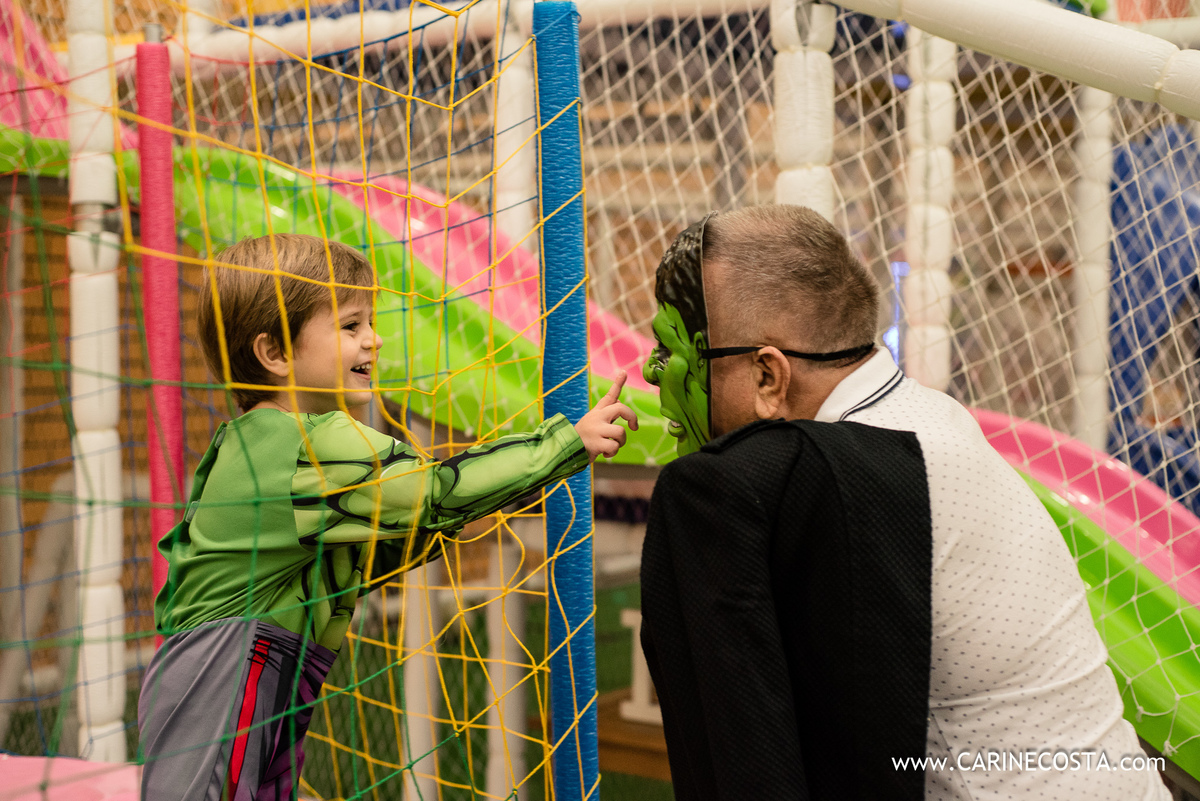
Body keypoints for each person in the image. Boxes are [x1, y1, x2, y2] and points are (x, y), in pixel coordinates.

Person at [639, 205, 1169, 801]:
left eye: (667, 351)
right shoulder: (927, 418)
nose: (650, 373)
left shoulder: (847, 476)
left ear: (768, 377)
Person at [138, 234, 637, 801]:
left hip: (248, 680)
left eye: (369, 323)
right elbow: (436, 491)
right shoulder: (303, 441)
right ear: (274, 353)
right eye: (350, 327)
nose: (373, 340)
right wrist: (564, 443)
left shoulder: (265, 439)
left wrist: (469, 510)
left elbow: (396, 537)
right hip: (222, 683)